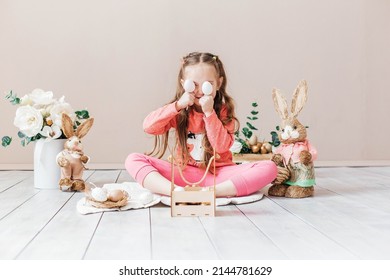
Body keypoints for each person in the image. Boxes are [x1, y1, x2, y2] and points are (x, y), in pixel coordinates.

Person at [125, 52, 277, 197]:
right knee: (133, 159)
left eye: (207, 85)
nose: (199, 91)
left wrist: (210, 114)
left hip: (219, 174)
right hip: (184, 173)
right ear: (184, 84)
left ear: (219, 83)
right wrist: (177, 105)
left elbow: (221, 146)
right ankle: (176, 192)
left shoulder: (224, 111)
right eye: (194, 85)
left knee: (269, 168)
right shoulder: (179, 111)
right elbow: (149, 127)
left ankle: (213, 192)